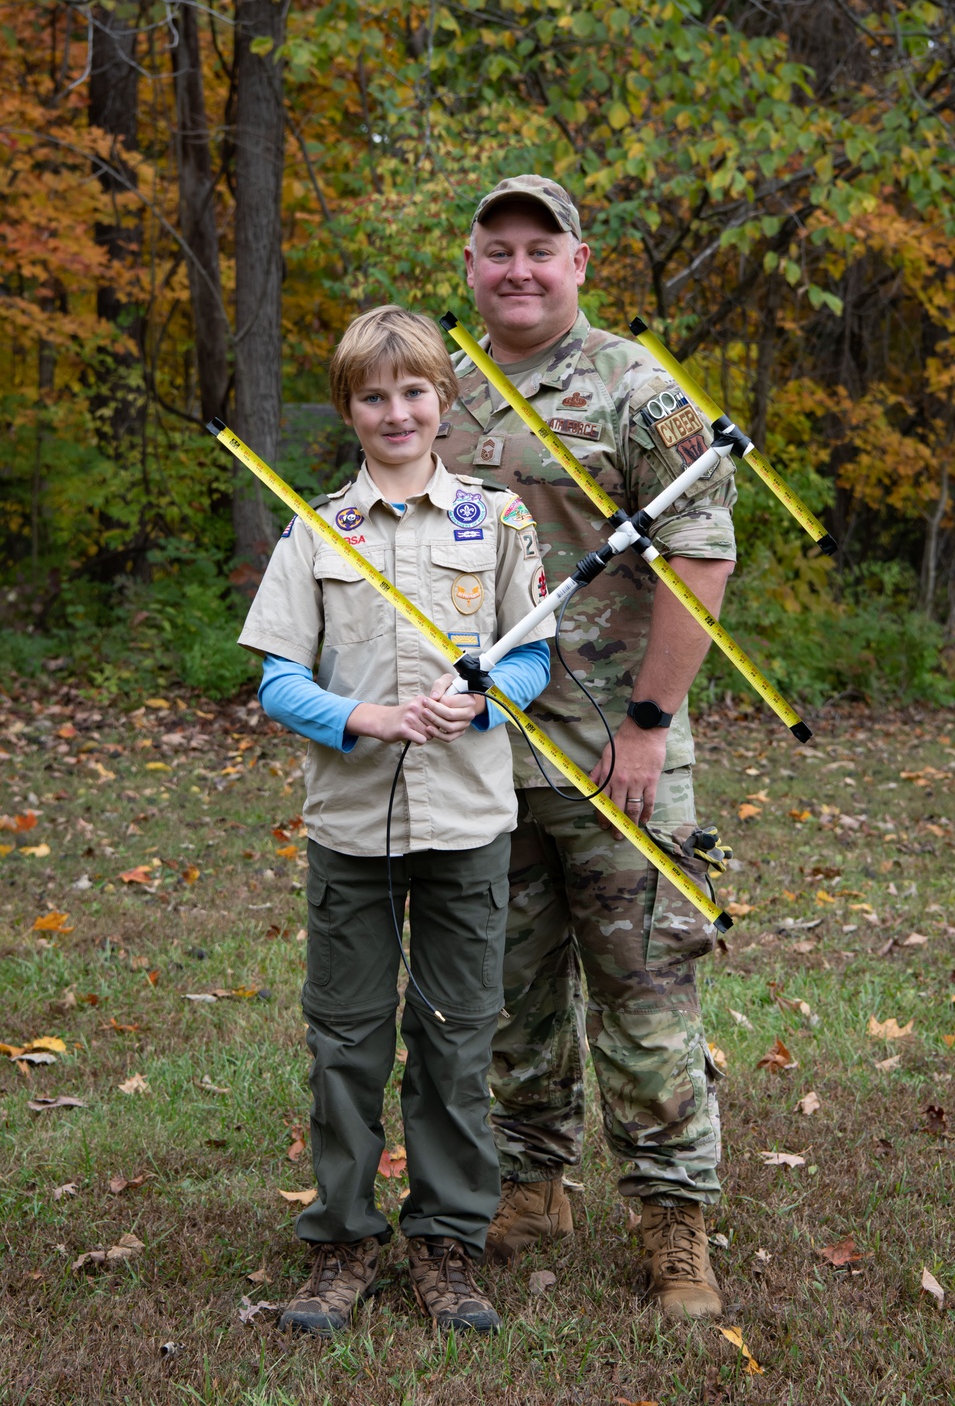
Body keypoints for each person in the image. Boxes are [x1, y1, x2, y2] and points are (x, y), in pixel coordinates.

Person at [435, 176, 738, 1321]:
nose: (517, 269)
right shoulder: (442, 390)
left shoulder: (634, 387)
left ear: (579, 262)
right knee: (504, 988)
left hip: (615, 750)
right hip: (480, 754)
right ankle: (532, 1181)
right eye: (495, 250)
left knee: (643, 987)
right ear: (470, 264)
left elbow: (700, 558)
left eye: (539, 249)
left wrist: (652, 727)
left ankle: (674, 1222)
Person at [238, 305, 555, 1335]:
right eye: (374, 395)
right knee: (348, 1041)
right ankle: (342, 1237)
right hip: (349, 824)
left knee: (459, 1039)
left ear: (441, 400)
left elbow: (531, 652)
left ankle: (447, 1240)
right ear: (349, 408)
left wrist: (487, 696)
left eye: (413, 390)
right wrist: (363, 716)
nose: (396, 410)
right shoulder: (313, 530)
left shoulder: (498, 522)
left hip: (467, 820)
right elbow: (280, 680)